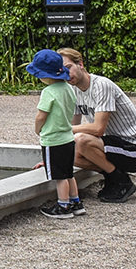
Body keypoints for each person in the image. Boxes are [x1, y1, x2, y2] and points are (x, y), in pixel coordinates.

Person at [64, 49, 136, 203]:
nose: (65, 73)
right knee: (69, 156)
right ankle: (113, 176)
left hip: (135, 149)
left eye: (68, 67)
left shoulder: (102, 85)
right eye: (61, 70)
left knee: (81, 140)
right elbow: (72, 127)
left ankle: (121, 181)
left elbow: (98, 128)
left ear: (81, 64)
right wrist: (53, 156)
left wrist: (63, 130)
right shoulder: (73, 91)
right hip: (110, 145)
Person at [31, 49, 83, 219]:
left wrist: (38, 129)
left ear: (44, 75)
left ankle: (63, 205)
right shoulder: (68, 89)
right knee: (68, 172)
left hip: (53, 139)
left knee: (59, 176)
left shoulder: (48, 92)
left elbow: (41, 115)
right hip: (68, 137)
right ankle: (76, 202)